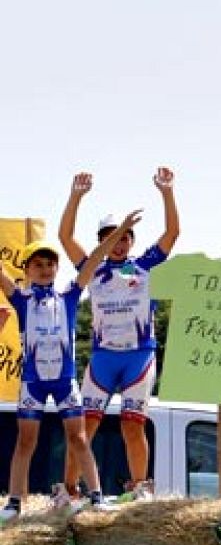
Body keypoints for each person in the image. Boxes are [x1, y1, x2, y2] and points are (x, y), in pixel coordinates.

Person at [0, 212, 139, 520]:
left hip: (65, 382)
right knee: (25, 442)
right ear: (26, 270)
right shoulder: (21, 299)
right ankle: (13, 503)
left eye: (50, 264)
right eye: (38, 264)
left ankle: (97, 496)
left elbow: (95, 259)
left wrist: (122, 230)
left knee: (79, 439)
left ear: (57, 268)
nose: (44, 269)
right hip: (33, 383)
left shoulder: (69, 295)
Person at [58, 168, 180, 502]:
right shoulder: (92, 268)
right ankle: (68, 489)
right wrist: (76, 196)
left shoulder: (144, 265)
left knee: (132, 424)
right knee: (84, 428)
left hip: (138, 356)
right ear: (102, 242)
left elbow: (172, 233)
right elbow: (65, 237)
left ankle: (139, 487)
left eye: (125, 237)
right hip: (103, 357)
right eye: (112, 237)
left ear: (132, 242)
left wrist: (167, 192)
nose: (119, 243)